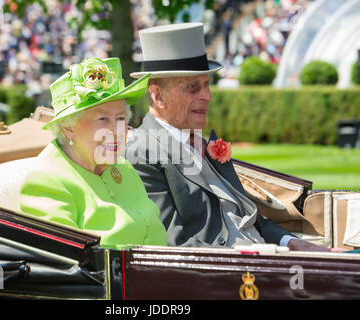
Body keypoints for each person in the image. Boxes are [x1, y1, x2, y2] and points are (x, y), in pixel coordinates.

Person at [125, 22, 330, 252]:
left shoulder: (200, 142)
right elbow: (172, 242)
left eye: (207, 85)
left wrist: (291, 242)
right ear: (158, 95)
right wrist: (251, 255)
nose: (207, 96)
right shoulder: (141, 153)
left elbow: (246, 212)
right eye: (193, 87)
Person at [19, 57, 167, 249]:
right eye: (102, 118)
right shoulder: (46, 181)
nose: (116, 131)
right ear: (68, 127)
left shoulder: (124, 167)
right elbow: (66, 268)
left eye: (121, 118)